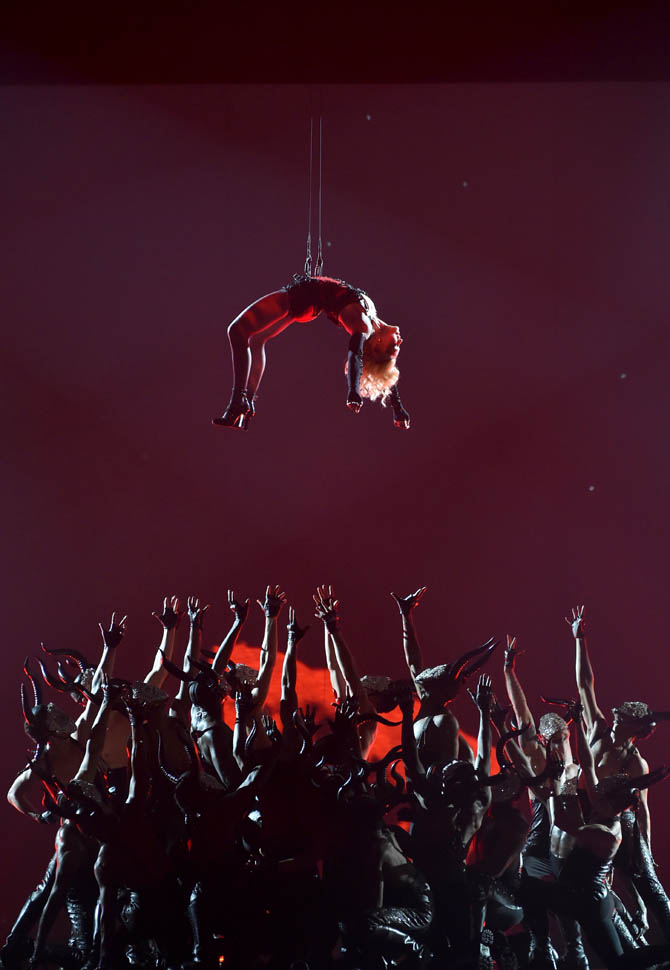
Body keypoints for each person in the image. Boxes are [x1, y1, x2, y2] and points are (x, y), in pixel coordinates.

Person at [212, 274, 410, 430]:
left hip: (302, 299)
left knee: (236, 331)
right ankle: (246, 402)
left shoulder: (363, 325)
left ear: (379, 343)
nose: (400, 341)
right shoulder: (373, 320)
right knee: (257, 340)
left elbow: (355, 354)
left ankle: (237, 402)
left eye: (395, 346)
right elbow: (384, 369)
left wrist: (353, 391)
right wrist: (398, 409)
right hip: (307, 304)